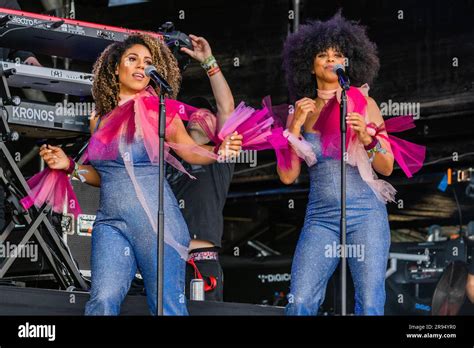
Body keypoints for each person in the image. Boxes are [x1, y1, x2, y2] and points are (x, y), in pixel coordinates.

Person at [31, 33, 242, 315]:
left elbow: (191, 151)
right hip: (111, 224)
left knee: (166, 308)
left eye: (148, 62)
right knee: (102, 300)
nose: (142, 66)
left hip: (156, 225)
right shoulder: (99, 119)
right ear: (115, 67)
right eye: (133, 59)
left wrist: (220, 152)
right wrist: (70, 166)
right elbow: (106, 176)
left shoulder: (159, 110)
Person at [276, 12, 425, 315]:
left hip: (366, 213)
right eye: (322, 54)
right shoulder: (300, 110)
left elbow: (386, 167)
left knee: (370, 303)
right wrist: (293, 130)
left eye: (338, 54)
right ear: (309, 63)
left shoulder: (362, 102)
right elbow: (287, 176)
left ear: (349, 61)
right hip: (321, 216)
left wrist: (367, 138)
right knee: (301, 299)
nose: (330, 60)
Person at [167, 35, 235, 302]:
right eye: (192, 111)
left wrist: (208, 61)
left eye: (207, 112)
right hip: (165, 260)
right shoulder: (167, 155)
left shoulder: (222, 156)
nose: (198, 114)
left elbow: (226, 107)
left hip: (201, 262)